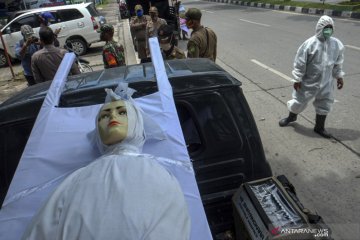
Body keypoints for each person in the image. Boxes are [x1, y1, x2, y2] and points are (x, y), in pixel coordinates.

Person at [22, 89, 191, 240]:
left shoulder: (160, 175)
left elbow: (171, 226)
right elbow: (43, 227)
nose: (112, 117)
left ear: (137, 122)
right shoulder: (76, 179)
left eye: (123, 112)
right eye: (104, 115)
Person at [279, 15, 345, 138]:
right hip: (309, 82)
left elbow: (338, 63)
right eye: (326, 28)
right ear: (320, 28)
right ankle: (291, 117)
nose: (328, 30)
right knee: (299, 101)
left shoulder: (337, 45)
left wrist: (339, 76)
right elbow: (300, 63)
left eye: (330, 28)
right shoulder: (309, 44)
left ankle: (319, 127)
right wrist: (297, 79)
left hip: (326, 82)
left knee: (325, 103)